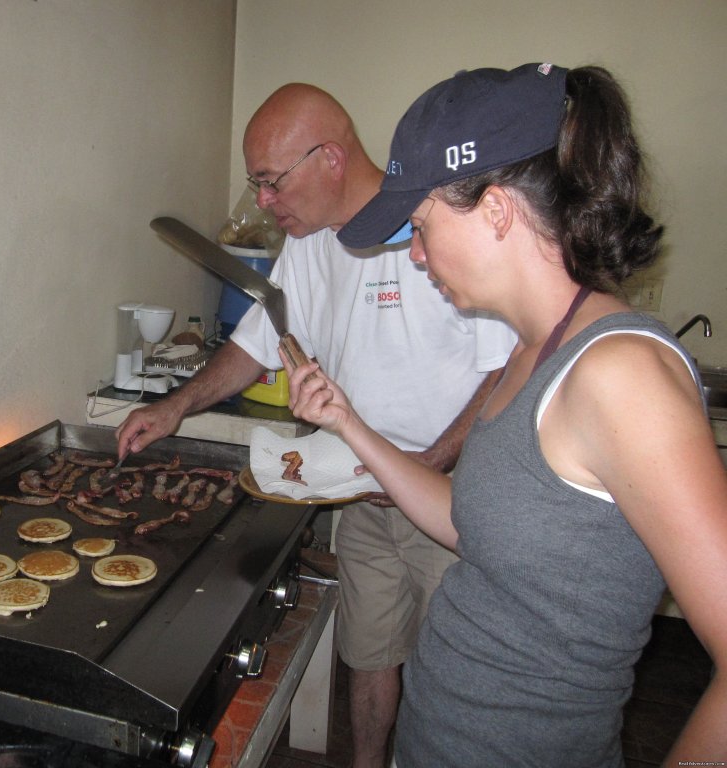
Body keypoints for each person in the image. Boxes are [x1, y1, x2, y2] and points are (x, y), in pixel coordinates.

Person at [282, 63, 727, 766]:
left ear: (496, 210)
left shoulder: (621, 375)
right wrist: (349, 425)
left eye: (422, 225)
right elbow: (470, 522)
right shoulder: (534, 351)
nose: (418, 254)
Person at [116, 83, 516, 767]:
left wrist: (433, 462)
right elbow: (256, 344)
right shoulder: (308, 244)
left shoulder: (433, 224)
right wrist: (175, 404)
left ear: (329, 158)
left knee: (460, 680)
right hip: (357, 492)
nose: (264, 204)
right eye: (257, 185)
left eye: (271, 183)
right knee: (370, 656)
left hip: (454, 497)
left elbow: (503, 369)